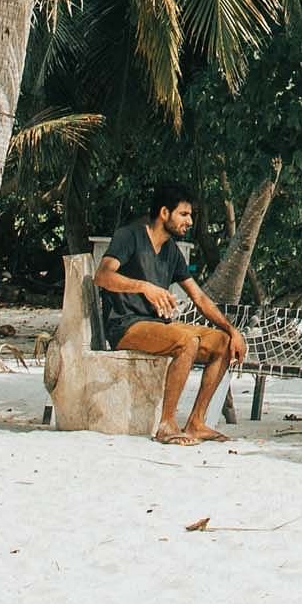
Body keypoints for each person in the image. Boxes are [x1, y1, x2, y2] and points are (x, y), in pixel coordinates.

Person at [93, 183, 244, 444]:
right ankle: (167, 424)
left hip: (156, 326)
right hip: (126, 326)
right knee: (187, 341)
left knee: (222, 342)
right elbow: (102, 276)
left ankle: (196, 422)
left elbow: (199, 297)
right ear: (165, 213)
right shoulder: (129, 236)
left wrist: (232, 331)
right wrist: (144, 287)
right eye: (184, 214)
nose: (190, 221)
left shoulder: (171, 250)